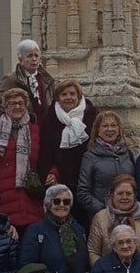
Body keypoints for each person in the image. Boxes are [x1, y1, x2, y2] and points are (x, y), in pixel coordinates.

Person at [0, 87, 43, 229]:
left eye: (21, 103)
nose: (17, 107)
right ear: (5, 106)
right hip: (1, 197)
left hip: (30, 200)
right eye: (12, 103)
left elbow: (46, 157)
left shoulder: (35, 129)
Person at [37, 79, 99, 228]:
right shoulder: (50, 118)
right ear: (58, 98)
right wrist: (49, 172)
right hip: (61, 180)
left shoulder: (92, 116)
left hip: (86, 180)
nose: (68, 97)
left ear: (78, 97)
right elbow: (45, 151)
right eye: (64, 94)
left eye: (72, 94)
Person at [20, 184, 89, 273]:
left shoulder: (79, 230)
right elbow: (27, 264)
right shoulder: (35, 230)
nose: (62, 205)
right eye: (57, 201)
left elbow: (84, 263)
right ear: (49, 204)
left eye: (66, 202)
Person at [87, 174, 140, 264]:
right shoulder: (100, 218)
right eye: (120, 194)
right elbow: (93, 251)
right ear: (112, 194)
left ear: (135, 195)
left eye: (129, 193)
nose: (124, 197)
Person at [78, 110, 136, 218]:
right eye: (105, 126)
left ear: (119, 130)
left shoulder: (128, 154)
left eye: (113, 125)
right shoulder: (90, 156)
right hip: (103, 216)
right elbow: (83, 191)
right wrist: (102, 210)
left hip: (129, 215)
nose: (110, 129)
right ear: (98, 130)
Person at [0, 38, 55, 122]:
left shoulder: (47, 80)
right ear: (20, 59)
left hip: (45, 129)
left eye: (36, 55)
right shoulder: (11, 79)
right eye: (29, 56)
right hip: (22, 128)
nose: (34, 59)